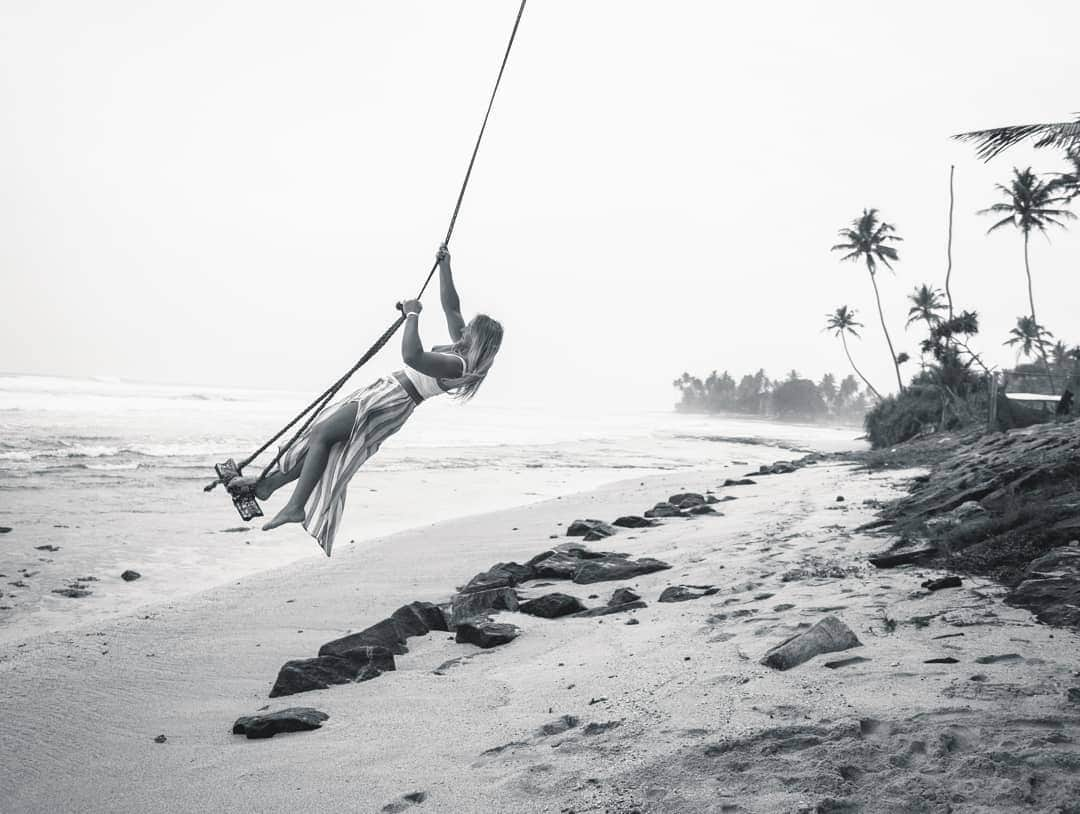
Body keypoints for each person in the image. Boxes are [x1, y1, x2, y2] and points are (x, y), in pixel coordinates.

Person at [230, 245, 503, 555]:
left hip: (393, 399)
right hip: (387, 393)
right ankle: (267, 487)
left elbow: (412, 356)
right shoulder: (459, 350)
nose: (463, 328)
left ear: (477, 339)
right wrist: (445, 266)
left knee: (321, 434)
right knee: (323, 441)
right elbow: (452, 308)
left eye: (470, 329)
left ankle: (295, 506)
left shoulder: (458, 364)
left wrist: (412, 315)